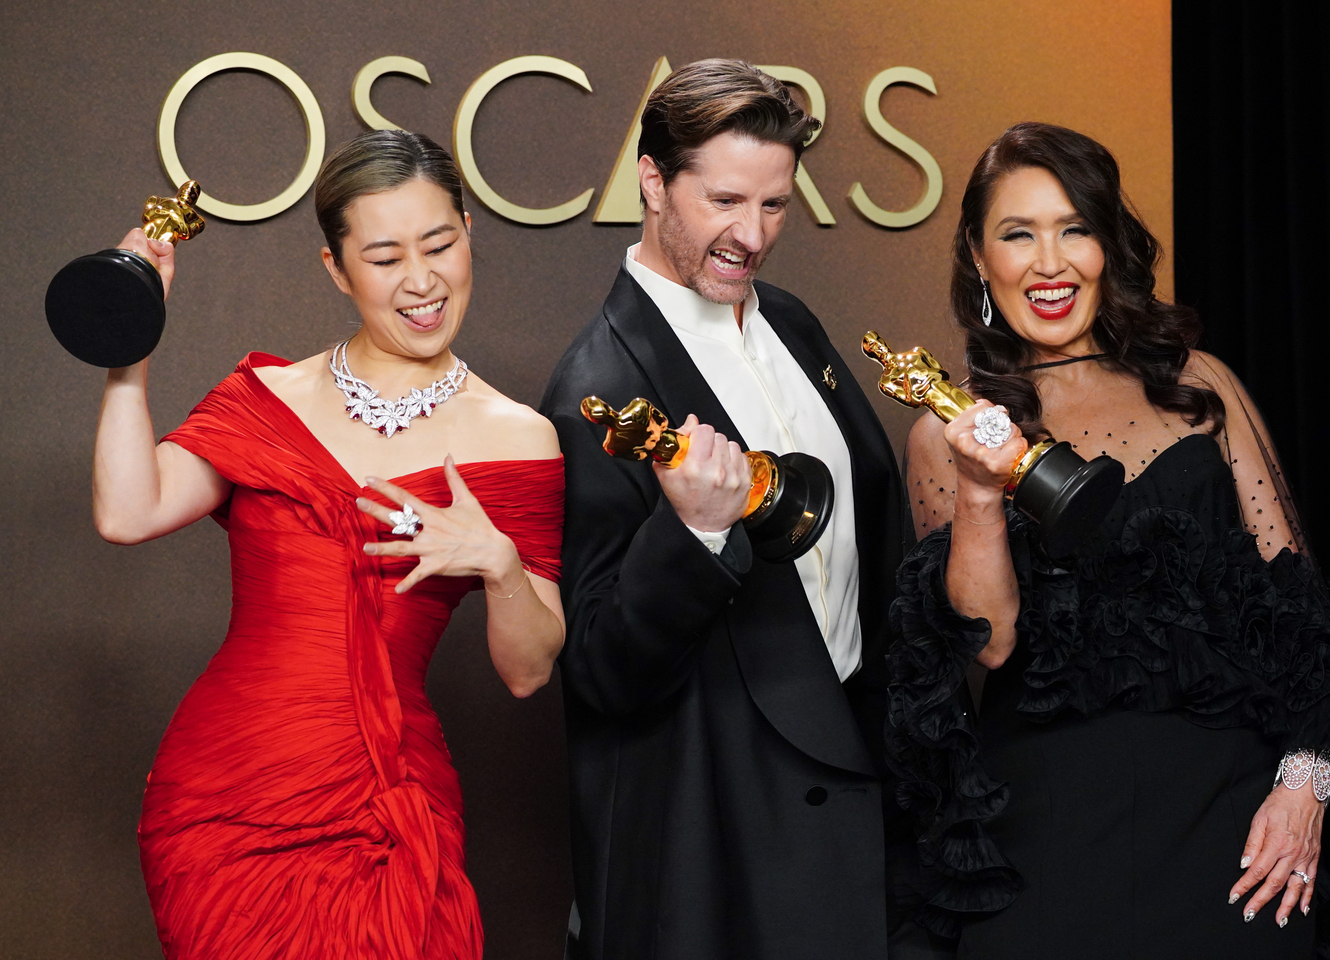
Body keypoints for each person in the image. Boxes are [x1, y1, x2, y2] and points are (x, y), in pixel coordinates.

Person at [885, 122, 1330, 958]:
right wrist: (981, 487)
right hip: (1049, 842)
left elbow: (1304, 610)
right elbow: (987, 646)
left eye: (1074, 229)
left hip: (1233, 830)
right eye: (1017, 234)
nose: (1049, 263)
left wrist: (1306, 783)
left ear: (1107, 245)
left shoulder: (1200, 385)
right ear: (979, 257)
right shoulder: (947, 431)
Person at [92, 130, 566, 959]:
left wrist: (498, 565)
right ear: (337, 270)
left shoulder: (519, 439)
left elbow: (528, 671)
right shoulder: (267, 399)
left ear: (469, 235)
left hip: (386, 802)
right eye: (384, 258)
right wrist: (128, 355)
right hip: (227, 795)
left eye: (440, 245)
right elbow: (128, 513)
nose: (421, 281)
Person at [538, 59, 906, 959]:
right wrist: (695, 531)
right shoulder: (595, 388)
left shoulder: (793, 322)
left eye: (775, 204)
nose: (753, 235)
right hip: (723, 826)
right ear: (652, 181)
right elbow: (599, 668)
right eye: (726, 201)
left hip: (858, 779)